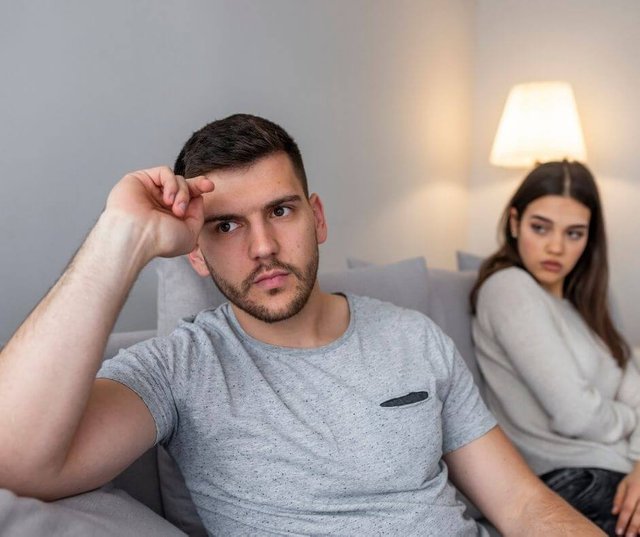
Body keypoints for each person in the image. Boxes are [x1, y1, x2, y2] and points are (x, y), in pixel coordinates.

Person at [0, 115, 602, 536]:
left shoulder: (412, 336)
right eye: (227, 226)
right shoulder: (180, 367)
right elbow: (16, 461)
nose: (262, 247)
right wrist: (119, 238)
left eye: (280, 211)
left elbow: (522, 504)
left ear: (316, 218)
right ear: (194, 249)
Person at [471, 160, 640, 537]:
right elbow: (576, 415)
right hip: (571, 482)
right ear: (514, 222)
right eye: (540, 227)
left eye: (574, 233)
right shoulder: (509, 289)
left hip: (617, 473)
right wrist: (627, 421)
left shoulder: (588, 307)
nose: (556, 247)